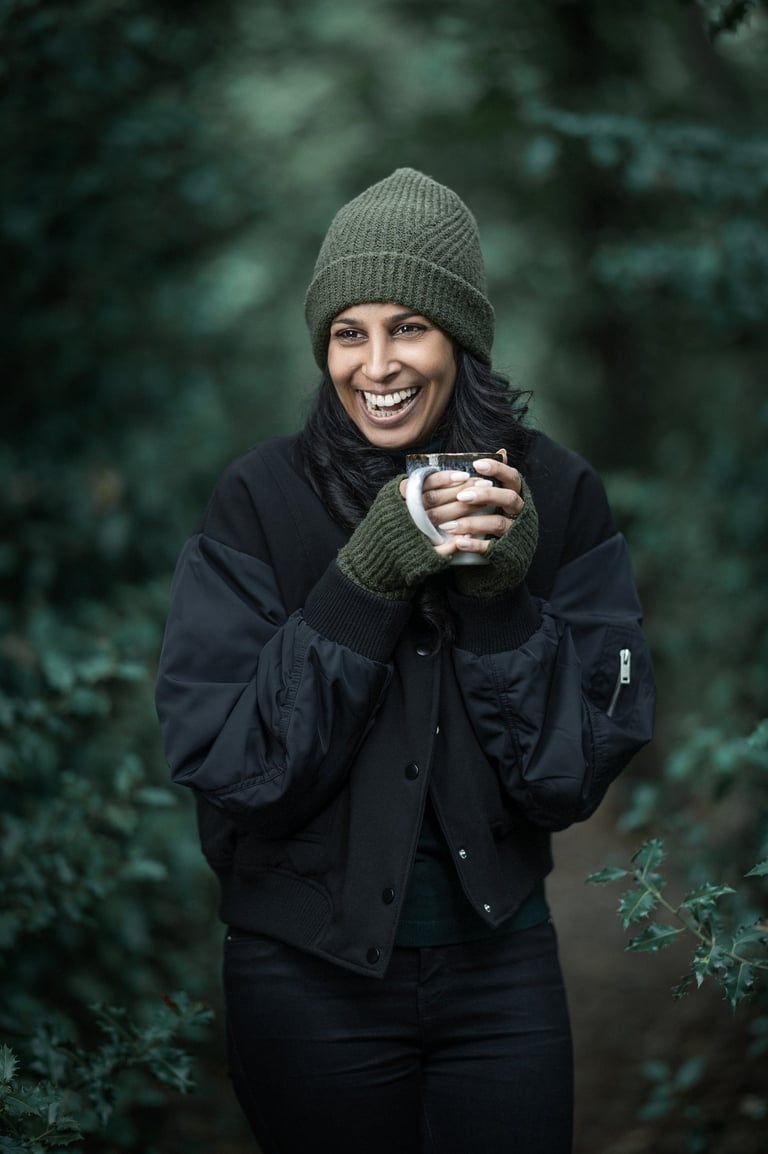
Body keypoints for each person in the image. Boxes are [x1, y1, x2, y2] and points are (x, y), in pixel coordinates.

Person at [155, 167, 655, 1154]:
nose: (376, 363)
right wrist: (365, 577)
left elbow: (574, 773)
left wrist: (504, 600)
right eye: (349, 332)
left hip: (500, 969)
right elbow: (232, 761)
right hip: (303, 977)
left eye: (408, 326)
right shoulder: (259, 498)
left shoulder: (554, 491)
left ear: (460, 340)